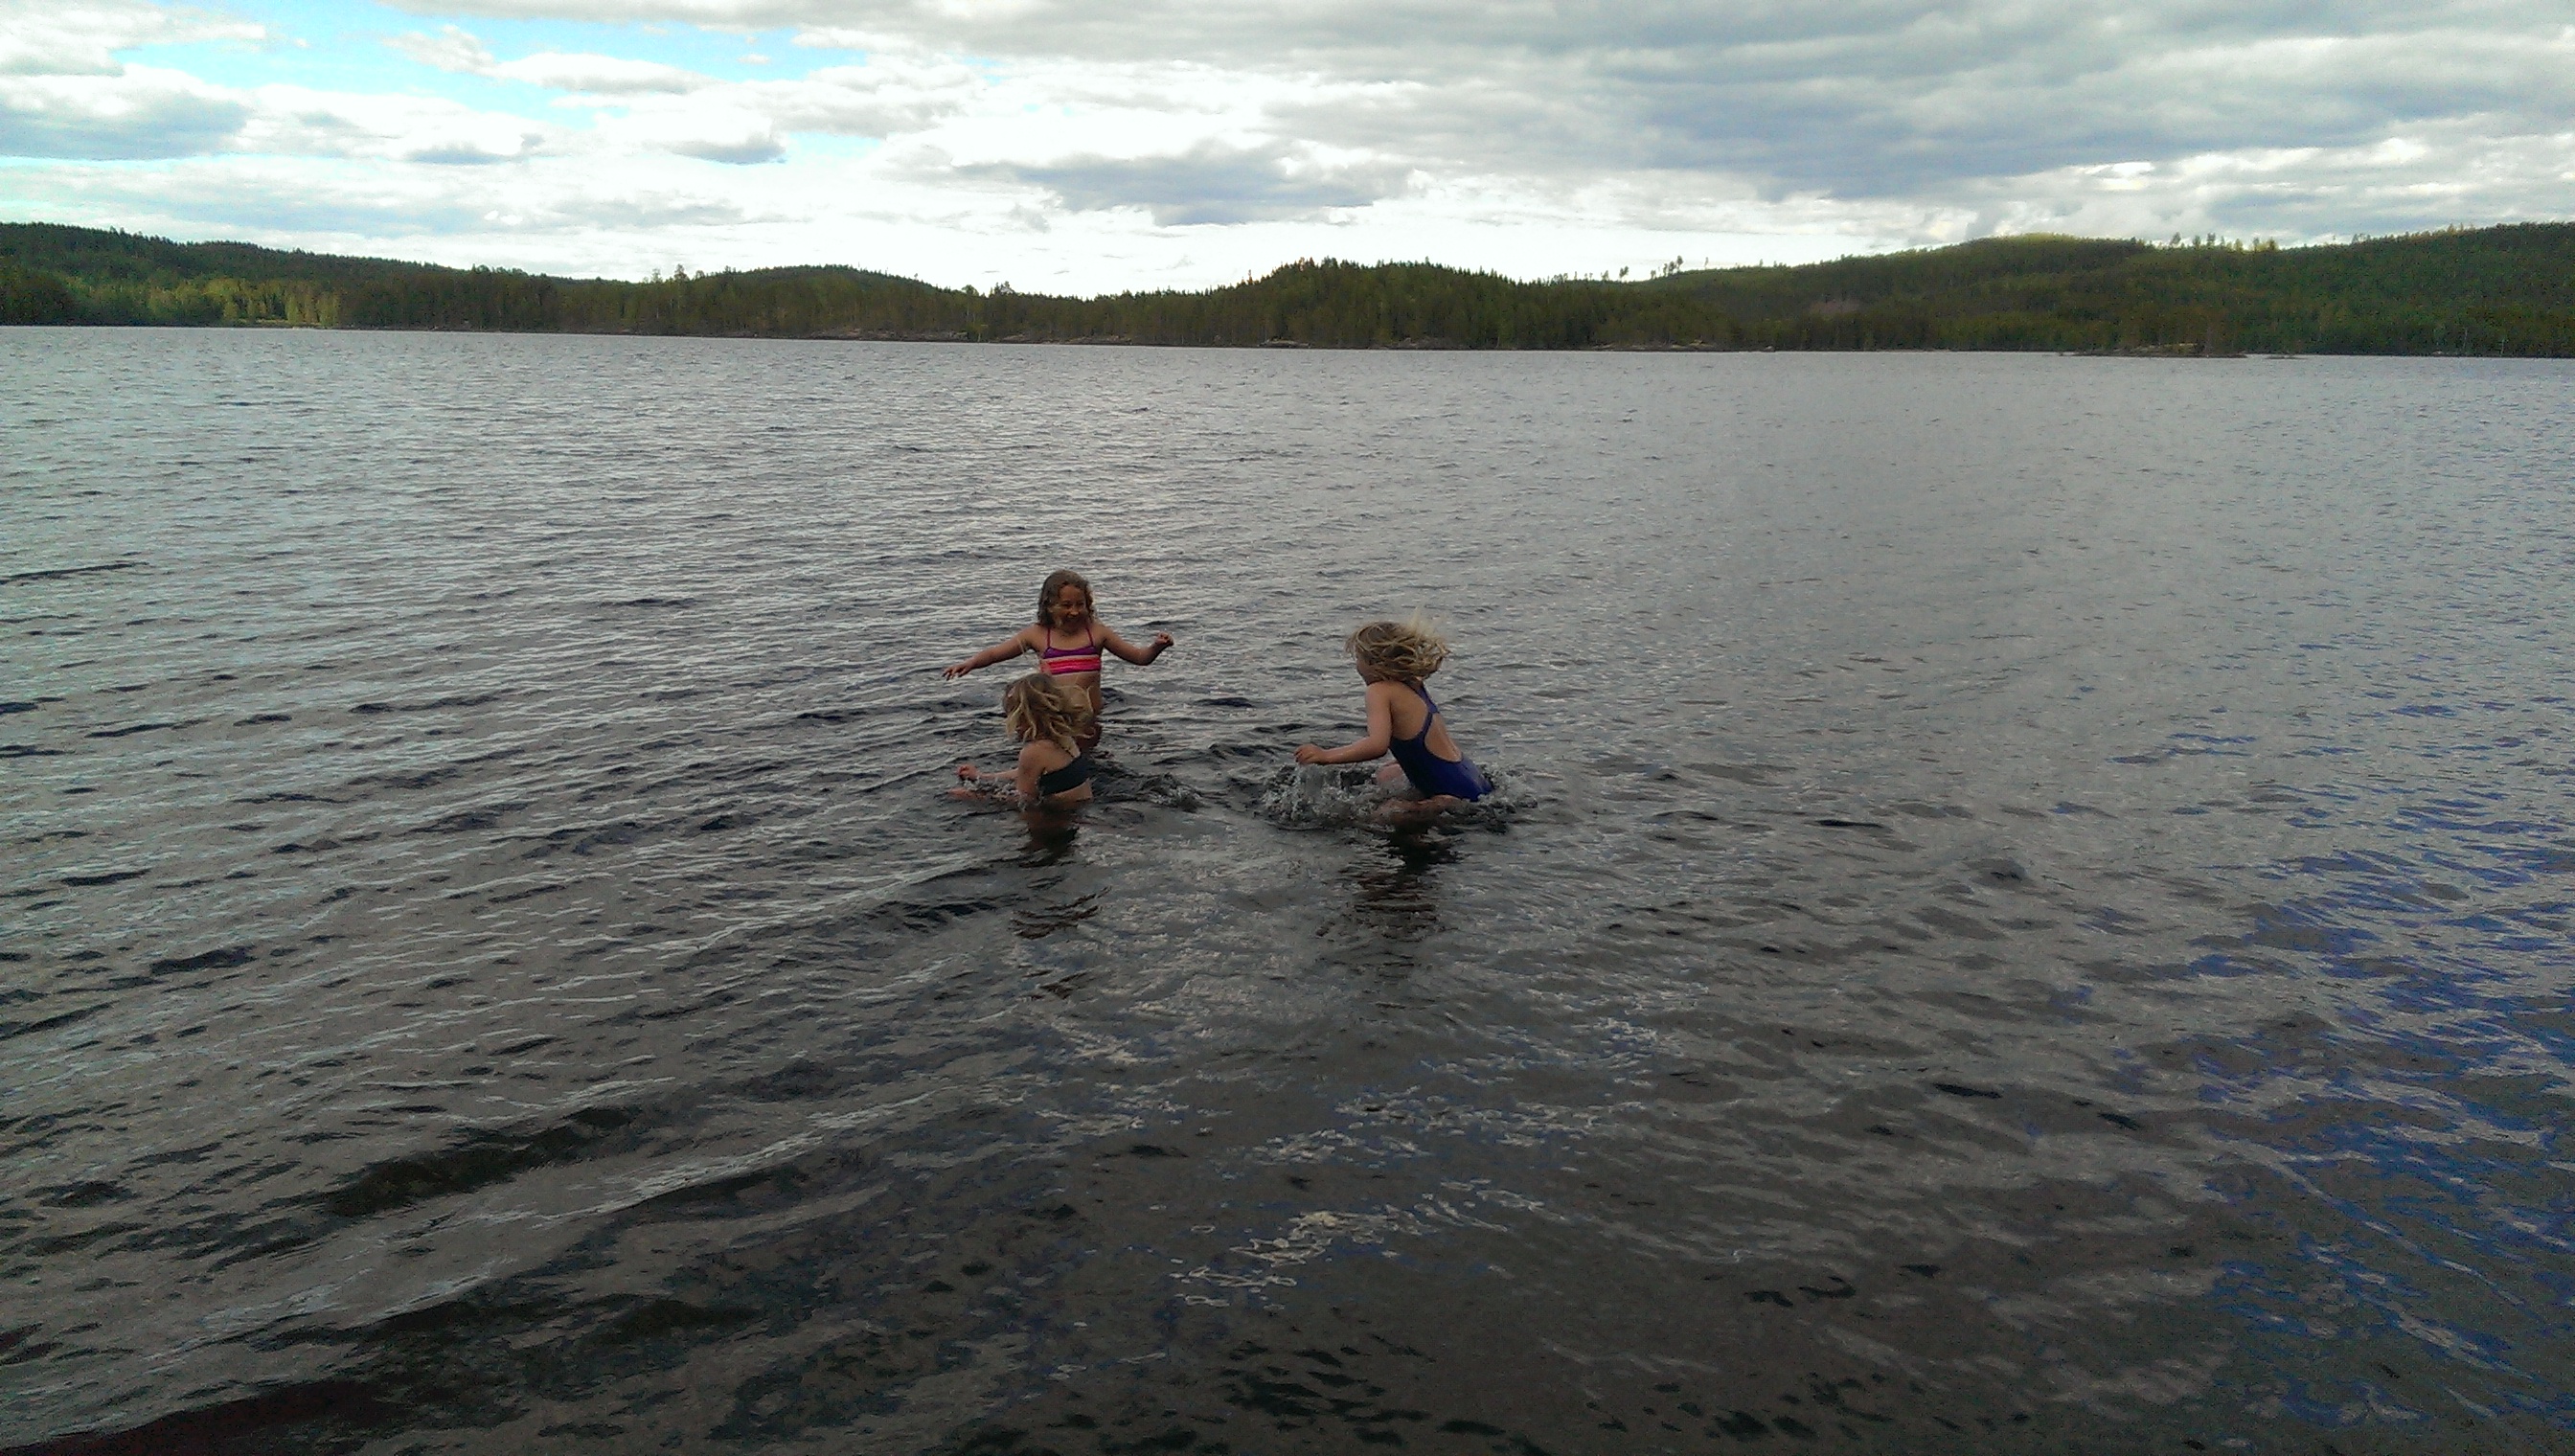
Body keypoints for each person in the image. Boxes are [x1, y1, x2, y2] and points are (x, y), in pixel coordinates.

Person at [944, 570, 1173, 747]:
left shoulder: (1097, 633)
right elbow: (996, 653)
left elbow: (1139, 658)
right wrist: (971, 663)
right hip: (1054, 721)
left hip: (1089, 721)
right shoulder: (1038, 635)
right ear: (1049, 606)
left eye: (1080, 604)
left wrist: (1156, 647)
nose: (1074, 611)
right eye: (1066, 605)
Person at [1295, 617, 1493, 807]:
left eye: (1358, 658)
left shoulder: (1378, 691)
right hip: (1470, 778)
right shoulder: (1413, 683)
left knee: (1386, 812)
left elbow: (1377, 746)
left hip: (1452, 794)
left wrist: (1325, 755)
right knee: (1387, 773)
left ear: (1373, 662)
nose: (1357, 665)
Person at [955, 673, 1096, 807]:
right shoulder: (1064, 738)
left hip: (1056, 818)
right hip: (1080, 810)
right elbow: (1026, 773)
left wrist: (974, 796)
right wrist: (982, 777)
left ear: (1026, 717)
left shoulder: (1034, 752)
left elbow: (1025, 802)